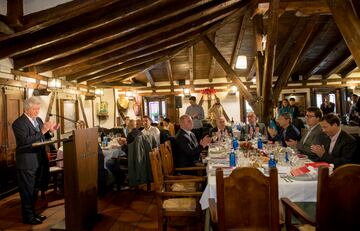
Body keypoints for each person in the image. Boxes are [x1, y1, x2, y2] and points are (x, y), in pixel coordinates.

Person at [12, 97, 59, 224]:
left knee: (35, 189)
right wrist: (43, 130)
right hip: (27, 162)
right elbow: (25, 141)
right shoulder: (18, 123)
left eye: (38, 109)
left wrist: (50, 132)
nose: (37, 112)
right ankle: (28, 217)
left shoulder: (38, 119)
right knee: (27, 191)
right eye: (35, 109)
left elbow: (42, 136)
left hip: (39, 160)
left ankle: (33, 213)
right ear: (27, 109)